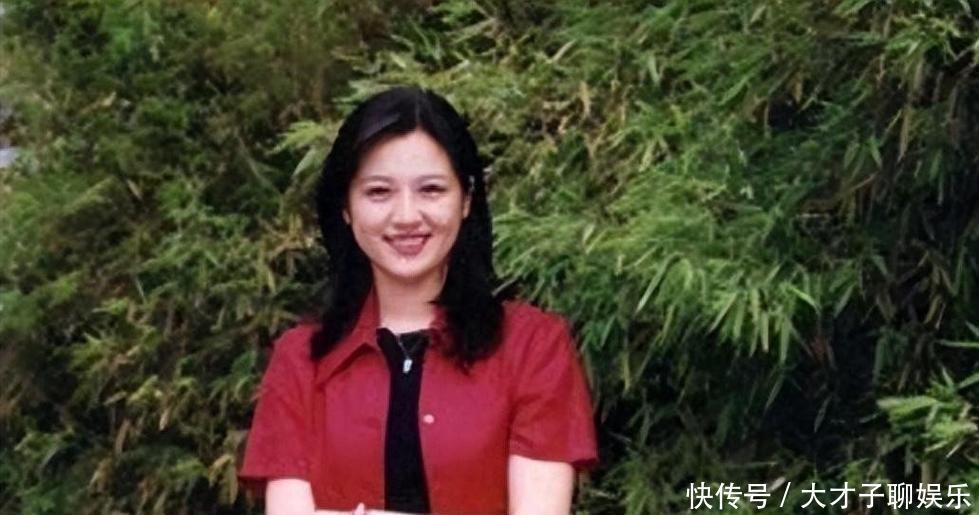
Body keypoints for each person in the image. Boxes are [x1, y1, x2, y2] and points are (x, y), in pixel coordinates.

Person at [238, 86, 598, 514]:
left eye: (431, 189)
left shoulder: (532, 346)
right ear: (346, 207)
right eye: (379, 192)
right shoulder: (300, 360)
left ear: (466, 200)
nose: (406, 216)